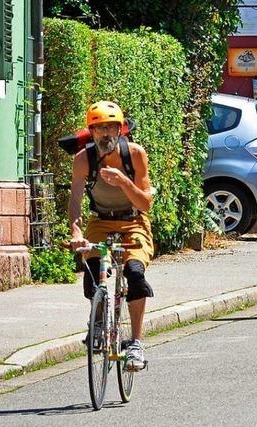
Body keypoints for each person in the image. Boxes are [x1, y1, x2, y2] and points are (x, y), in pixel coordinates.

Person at [69, 100, 154, 371]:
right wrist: (76, 231)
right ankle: (96, 322)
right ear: (91, 132)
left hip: (134, 222)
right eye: (99, 128)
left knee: (135, 273)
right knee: (93, 271)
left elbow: (145, 204)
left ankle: (137, 344)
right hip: (100, 223)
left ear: (121, 130)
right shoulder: (84, 160)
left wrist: (124, 182)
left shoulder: (136, 155)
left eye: (111, 128)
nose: (105, 134)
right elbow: (75, 200)